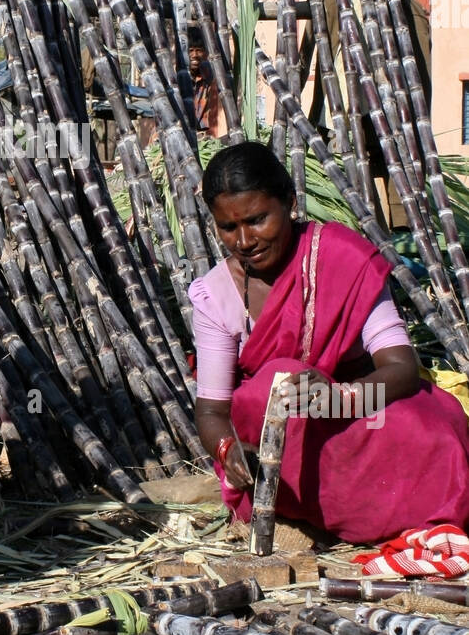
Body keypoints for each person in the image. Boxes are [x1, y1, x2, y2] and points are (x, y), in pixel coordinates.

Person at [189, 140, 469, 544]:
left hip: (358, 412)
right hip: (280, 438)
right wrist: (227, 450)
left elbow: (402, 370)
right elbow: (213, 409)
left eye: (257, 220)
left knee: (430, 435)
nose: (245, 240)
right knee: (277, 379)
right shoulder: (216, 296)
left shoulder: (343, 258)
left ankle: (384, 515)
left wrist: (341, 398)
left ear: (289, 201)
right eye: (228, 228)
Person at [187, 27, 219, 137]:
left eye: (199, 50)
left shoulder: (207, 72)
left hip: (198, 134)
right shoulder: (173, 77)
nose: (195, 55)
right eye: (190, 51)